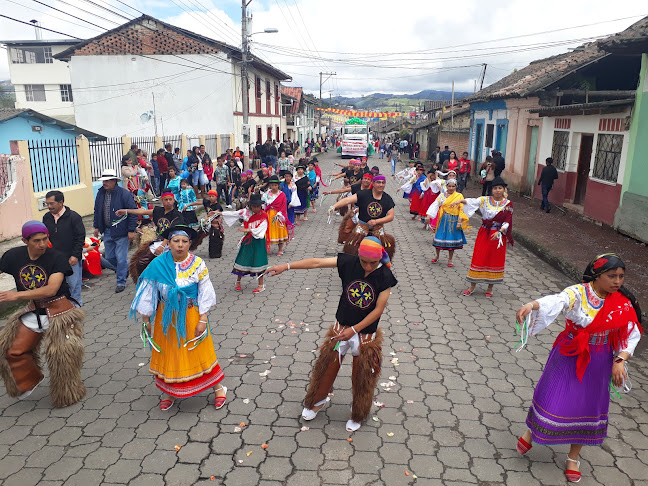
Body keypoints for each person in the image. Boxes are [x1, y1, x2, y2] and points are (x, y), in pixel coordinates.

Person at [514, 254, 642, 484]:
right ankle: (531, 432)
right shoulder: (579, 293)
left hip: (600, 359)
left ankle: (573, 458)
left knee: (588, 407)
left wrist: (620, 360)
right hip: (569, 352)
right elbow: (558, 301)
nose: (618, 282)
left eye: (621, 276)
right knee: (551, 396)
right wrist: (532, 305)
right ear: (596, 275)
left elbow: (631, 333)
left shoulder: (622, 302)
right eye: (611, 276)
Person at [266, 236, 397, 431]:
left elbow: (378, 310)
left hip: (365, 335)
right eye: (364, 262)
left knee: (361, 375)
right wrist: (286, 266)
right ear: (358, 256)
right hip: (340, 329)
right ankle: (317, 400)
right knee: (327, 367)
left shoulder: (385, 276)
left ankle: (359, 410)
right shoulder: (349, 262)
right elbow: (316, 262)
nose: (368, 267)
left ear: (380, 259)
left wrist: (354, 330)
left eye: (373, 263)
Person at [130, 224, 226, 411]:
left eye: (184, 241)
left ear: (190, 243)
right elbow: (147, 291)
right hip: (167, 317)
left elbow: (206, 291)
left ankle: (218, 388)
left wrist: (203, 319)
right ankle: (169, 392)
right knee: (170, 352)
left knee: (198, 351)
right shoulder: (158, 264)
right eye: (176, 241)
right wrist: (145, 320)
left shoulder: (198, 263)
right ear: (169, 243)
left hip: (191, 314)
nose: (180, 245)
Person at [0, 221, 85, 407]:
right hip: (33, 310)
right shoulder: (13, 256)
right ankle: (29, 380)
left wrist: (16, 295)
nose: (42, 244)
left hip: (59, 312)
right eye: (37, 240)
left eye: (45, 239)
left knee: (62, 359)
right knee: (11, 350)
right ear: (25, 240)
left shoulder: (57, 258)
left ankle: (68, 394)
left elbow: (51, 289)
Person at [450, 177, 513, 297]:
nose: (497, 190)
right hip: (485, 233)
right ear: (492, 190)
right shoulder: (485, 200)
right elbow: (472, 202)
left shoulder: (508, 204)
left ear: (504, 189)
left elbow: (508, 221)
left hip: (498, 236)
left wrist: (500, 232)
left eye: (500, 188)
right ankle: (471, 286)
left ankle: (490, 288)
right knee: (479, 257)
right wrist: (459, 201)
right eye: (495, 188)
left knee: (494, 259)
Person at [116, 192, 185, 281]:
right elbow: (142, 211)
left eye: (170, 199)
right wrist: (126, 211)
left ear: (173, 200)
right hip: (159, 241)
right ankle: (146, 280)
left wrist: (162, 245)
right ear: (162, 201)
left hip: (172, 243)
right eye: (166, 200)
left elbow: (172, 231)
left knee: (169, 266)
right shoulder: (158, 210)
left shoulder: (177, 215)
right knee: (141, 261)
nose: (168, 202)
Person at [330, 175, 396, 260]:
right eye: (378, 182)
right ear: (373, 183)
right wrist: (334, 207)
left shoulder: (387, 198)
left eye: (383, 183)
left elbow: (391, 216)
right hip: (361, 229)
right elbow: (347, 200)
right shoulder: (364, 194)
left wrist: (376, 221)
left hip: (378, 230)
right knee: (353, 252)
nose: (381, 185)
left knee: (381, 255)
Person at [93, 169, 137, 293]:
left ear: (114, 181)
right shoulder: (100, 193)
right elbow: (97, 210)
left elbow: (133, 212)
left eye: (107, 180)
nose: (104, 183)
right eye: (103, 181)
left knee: (121, 258)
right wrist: (96, 226)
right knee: (110, 257)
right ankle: (126, 268)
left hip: (122, 231)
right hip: (107, 231)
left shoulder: (124, 194)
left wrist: (131, 230)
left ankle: (121, 282)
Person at [42, 191, 86, 305]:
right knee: (58, 287)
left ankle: (76, 310)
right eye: (47, 204)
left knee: (73, 286)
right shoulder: (47, 217)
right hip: (54, 259)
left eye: (52, 203)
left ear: (61, 202)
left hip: (71, 259)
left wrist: (75, 255)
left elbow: (80, 238)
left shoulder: (73, 217)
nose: (49, 207)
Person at [222, 194, 269, 293]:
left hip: (258, 242)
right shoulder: (246, 212)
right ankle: (238, 282)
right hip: (247, 241)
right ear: (250, 206)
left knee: (259, 260)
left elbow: (261, 229)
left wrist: (248, 229)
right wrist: (219, 213)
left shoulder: (263, 215)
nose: (256, 208)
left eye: (258, 206)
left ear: (261, 206)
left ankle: (261, 285)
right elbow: (234, 214)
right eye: (254, 206)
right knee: (242, 259)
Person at [426, 178, 468, 267]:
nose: (451, 188)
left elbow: (461, 208)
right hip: (443, 219)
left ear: (456, 187)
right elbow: (435, 204)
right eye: (449, 186)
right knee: (438, 237)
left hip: (454, 220)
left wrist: (459, 221)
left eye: (453, 186)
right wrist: (429, 215)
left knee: (451, 240)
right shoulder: (442, 196)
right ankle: (437, 255)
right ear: (446, 186)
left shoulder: (459, 196)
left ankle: (450, 259)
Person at [262, 175, 292, 256]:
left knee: (279, 231)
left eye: (275, 185)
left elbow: (283, 206)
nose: (274, 187)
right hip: (268, 214)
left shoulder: (281, 195)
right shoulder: (267, 194)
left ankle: (280, 249)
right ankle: (265, 248)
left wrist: (280, 214)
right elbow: (263, 203)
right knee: (266, 231)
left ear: (278, 185)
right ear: (270, 185)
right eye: (272, 185)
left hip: (278, 215)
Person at [202, 190, 225, 259]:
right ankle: (211, 253)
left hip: (216, 224)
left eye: (213, 196)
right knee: (210, 238)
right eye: (210, 196)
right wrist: (188, 205)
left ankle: (217, 253)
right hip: (208, 223)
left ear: (216, 197)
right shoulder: (207, 203)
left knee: (216, 237)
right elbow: (199, 202)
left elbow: (217, 211)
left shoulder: (218, 205)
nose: (211, 198)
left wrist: (213, 213)